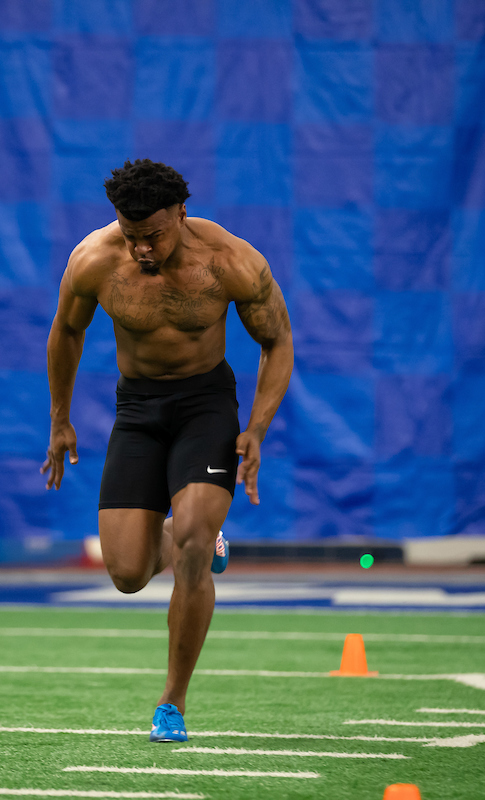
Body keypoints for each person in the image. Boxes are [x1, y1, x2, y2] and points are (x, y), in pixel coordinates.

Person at [41, 159, 293, 742]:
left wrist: (255, 428)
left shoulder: (232, 262)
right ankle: (186, 543)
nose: (142, 250)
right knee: (127, 574)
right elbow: (66, 332)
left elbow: (277, 341)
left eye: (153, 235)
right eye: (131, 237)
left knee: (194, 545)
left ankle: (172, 702)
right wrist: (60, 419)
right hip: (138, 410)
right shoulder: (94, 261)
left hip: (206, 405)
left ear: (181, 212)